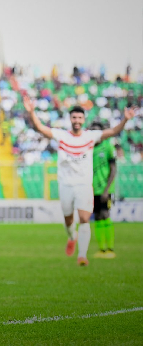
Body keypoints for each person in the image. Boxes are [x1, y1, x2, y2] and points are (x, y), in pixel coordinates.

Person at [23, 95, 137, 266]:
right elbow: (40, 128)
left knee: (84, 219)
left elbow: (112, 132)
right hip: (66, 185)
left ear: (84, 120)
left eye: (79, 117)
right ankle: (72, 237)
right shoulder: (62, 135)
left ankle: (82, 255)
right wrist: (32, 112)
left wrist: (125, 120)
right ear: (70, 119)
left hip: (84, 185)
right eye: (74, 117)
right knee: (69, 220)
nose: (77, 120)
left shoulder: (90, 137)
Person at [90, 121, 117, 259]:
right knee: (97, 217)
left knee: (105, 215)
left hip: (105, 189)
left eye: (97, 131)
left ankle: (110, 248)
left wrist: (107, 189)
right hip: (92, 190)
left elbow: (113, 169)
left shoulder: (108, 147)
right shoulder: (88, 148)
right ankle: (102, 249)